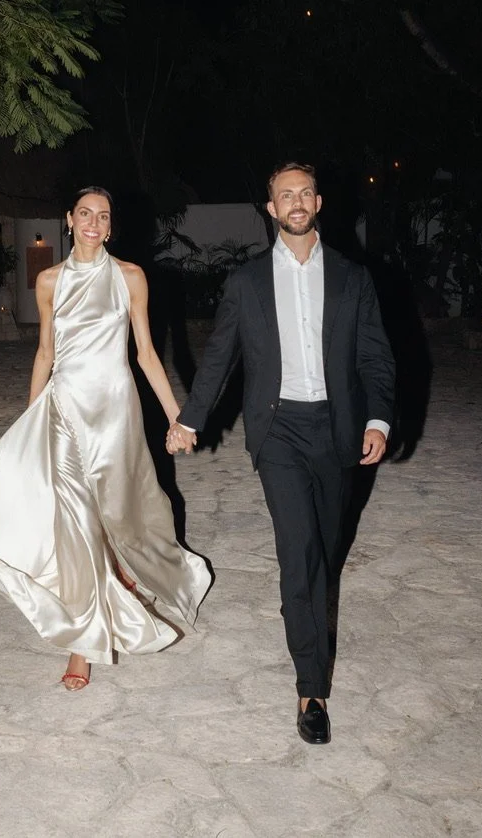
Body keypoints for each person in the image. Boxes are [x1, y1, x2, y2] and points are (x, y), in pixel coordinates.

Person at [166, 163, 395, 743]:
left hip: (339, 430)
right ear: (270, 208)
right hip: (279, 433)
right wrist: (191, 419)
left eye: (303, 193)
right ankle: (310, 688)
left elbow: (376, 357)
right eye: (283, 195)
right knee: (298, 553)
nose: (294, 202)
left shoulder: (352, 277)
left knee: (325, 551)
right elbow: (219, 357)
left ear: (318, 201)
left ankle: (311, 627)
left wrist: (377, 419)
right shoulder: (246, 283)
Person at [0, 187, 210, 691]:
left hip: (115, 412)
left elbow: (146, 353)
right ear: (69, 219)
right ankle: (84, 641)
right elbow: (44, 354)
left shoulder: (130, 277)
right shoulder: (49, 280)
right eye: (85, 214)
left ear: (110, 224)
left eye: (103, 216)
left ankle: (138, 569)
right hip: (63, 410)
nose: (94, 223)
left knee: (122, 513)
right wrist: (31, 418)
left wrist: (175, 417)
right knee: (75, 519)